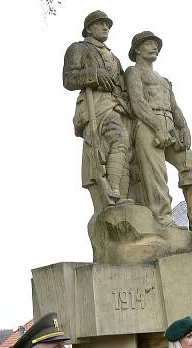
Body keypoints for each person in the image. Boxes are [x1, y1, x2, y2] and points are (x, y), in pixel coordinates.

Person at [125, 32, 192, 230]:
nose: (154, 47)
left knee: (190, 166)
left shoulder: (164, 80)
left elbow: (175, 107)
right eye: (149, 44)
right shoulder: (133, 72)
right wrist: (157, 128)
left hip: (170, 125)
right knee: (156, 175)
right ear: (137, 49)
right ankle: (164, 220)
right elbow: (138, 103)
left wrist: (184, 127)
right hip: (147, 125)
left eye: (156, 44)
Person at [62, 10, 132, 214]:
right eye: (101, 24)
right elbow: (68, 78)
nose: (105, 28)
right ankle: (113, 191)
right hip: (94, 105)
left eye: (108, 25)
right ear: (89, 29)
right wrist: (94, 74)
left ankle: (119, 193)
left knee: (123, 147)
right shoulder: (79, 48)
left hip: (116, 107)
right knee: (117, 141)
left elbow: (122, 84)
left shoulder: (114, 58)